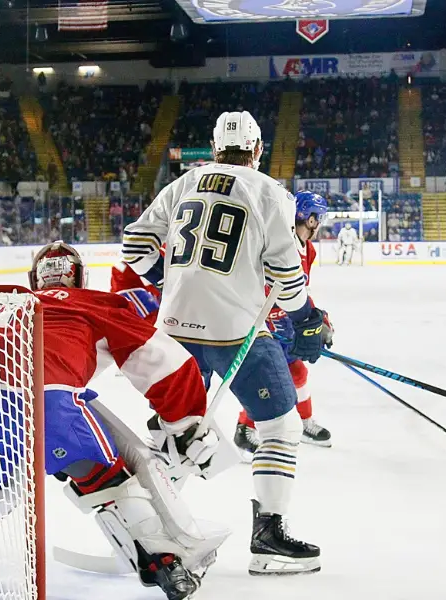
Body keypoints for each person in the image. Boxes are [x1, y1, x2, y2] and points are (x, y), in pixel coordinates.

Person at [0, 242, 226, 600]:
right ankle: (165, 563)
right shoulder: (92, 303)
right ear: (80, 277)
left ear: (35, 279)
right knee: (105, 477)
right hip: (47, 399)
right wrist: (185, 423)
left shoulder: (12, 308)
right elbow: (162, 361)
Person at [121, 111, 326, 576]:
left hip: (173, 330)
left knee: (174, 431)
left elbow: (134, 246)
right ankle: (269, 537)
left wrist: (171, 279)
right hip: (236, 332)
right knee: (279, 426)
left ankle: (145, 527)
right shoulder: (269, 192)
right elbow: (287, 277)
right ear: (257, 150)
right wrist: (308, 318)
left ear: (214, 149)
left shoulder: (181, 185)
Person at [235, 191, 333, 455]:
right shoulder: (280, 244)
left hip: (286, 321)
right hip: (261, 321)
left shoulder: (308, 250)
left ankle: (304, 423)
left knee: (298, 373)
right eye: (318, 218)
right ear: (310, 219)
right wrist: (276, 318)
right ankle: (245, 429)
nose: (319, 224)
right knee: (266, 377)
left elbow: (301, 291)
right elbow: (259, 286)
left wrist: (317, 319)